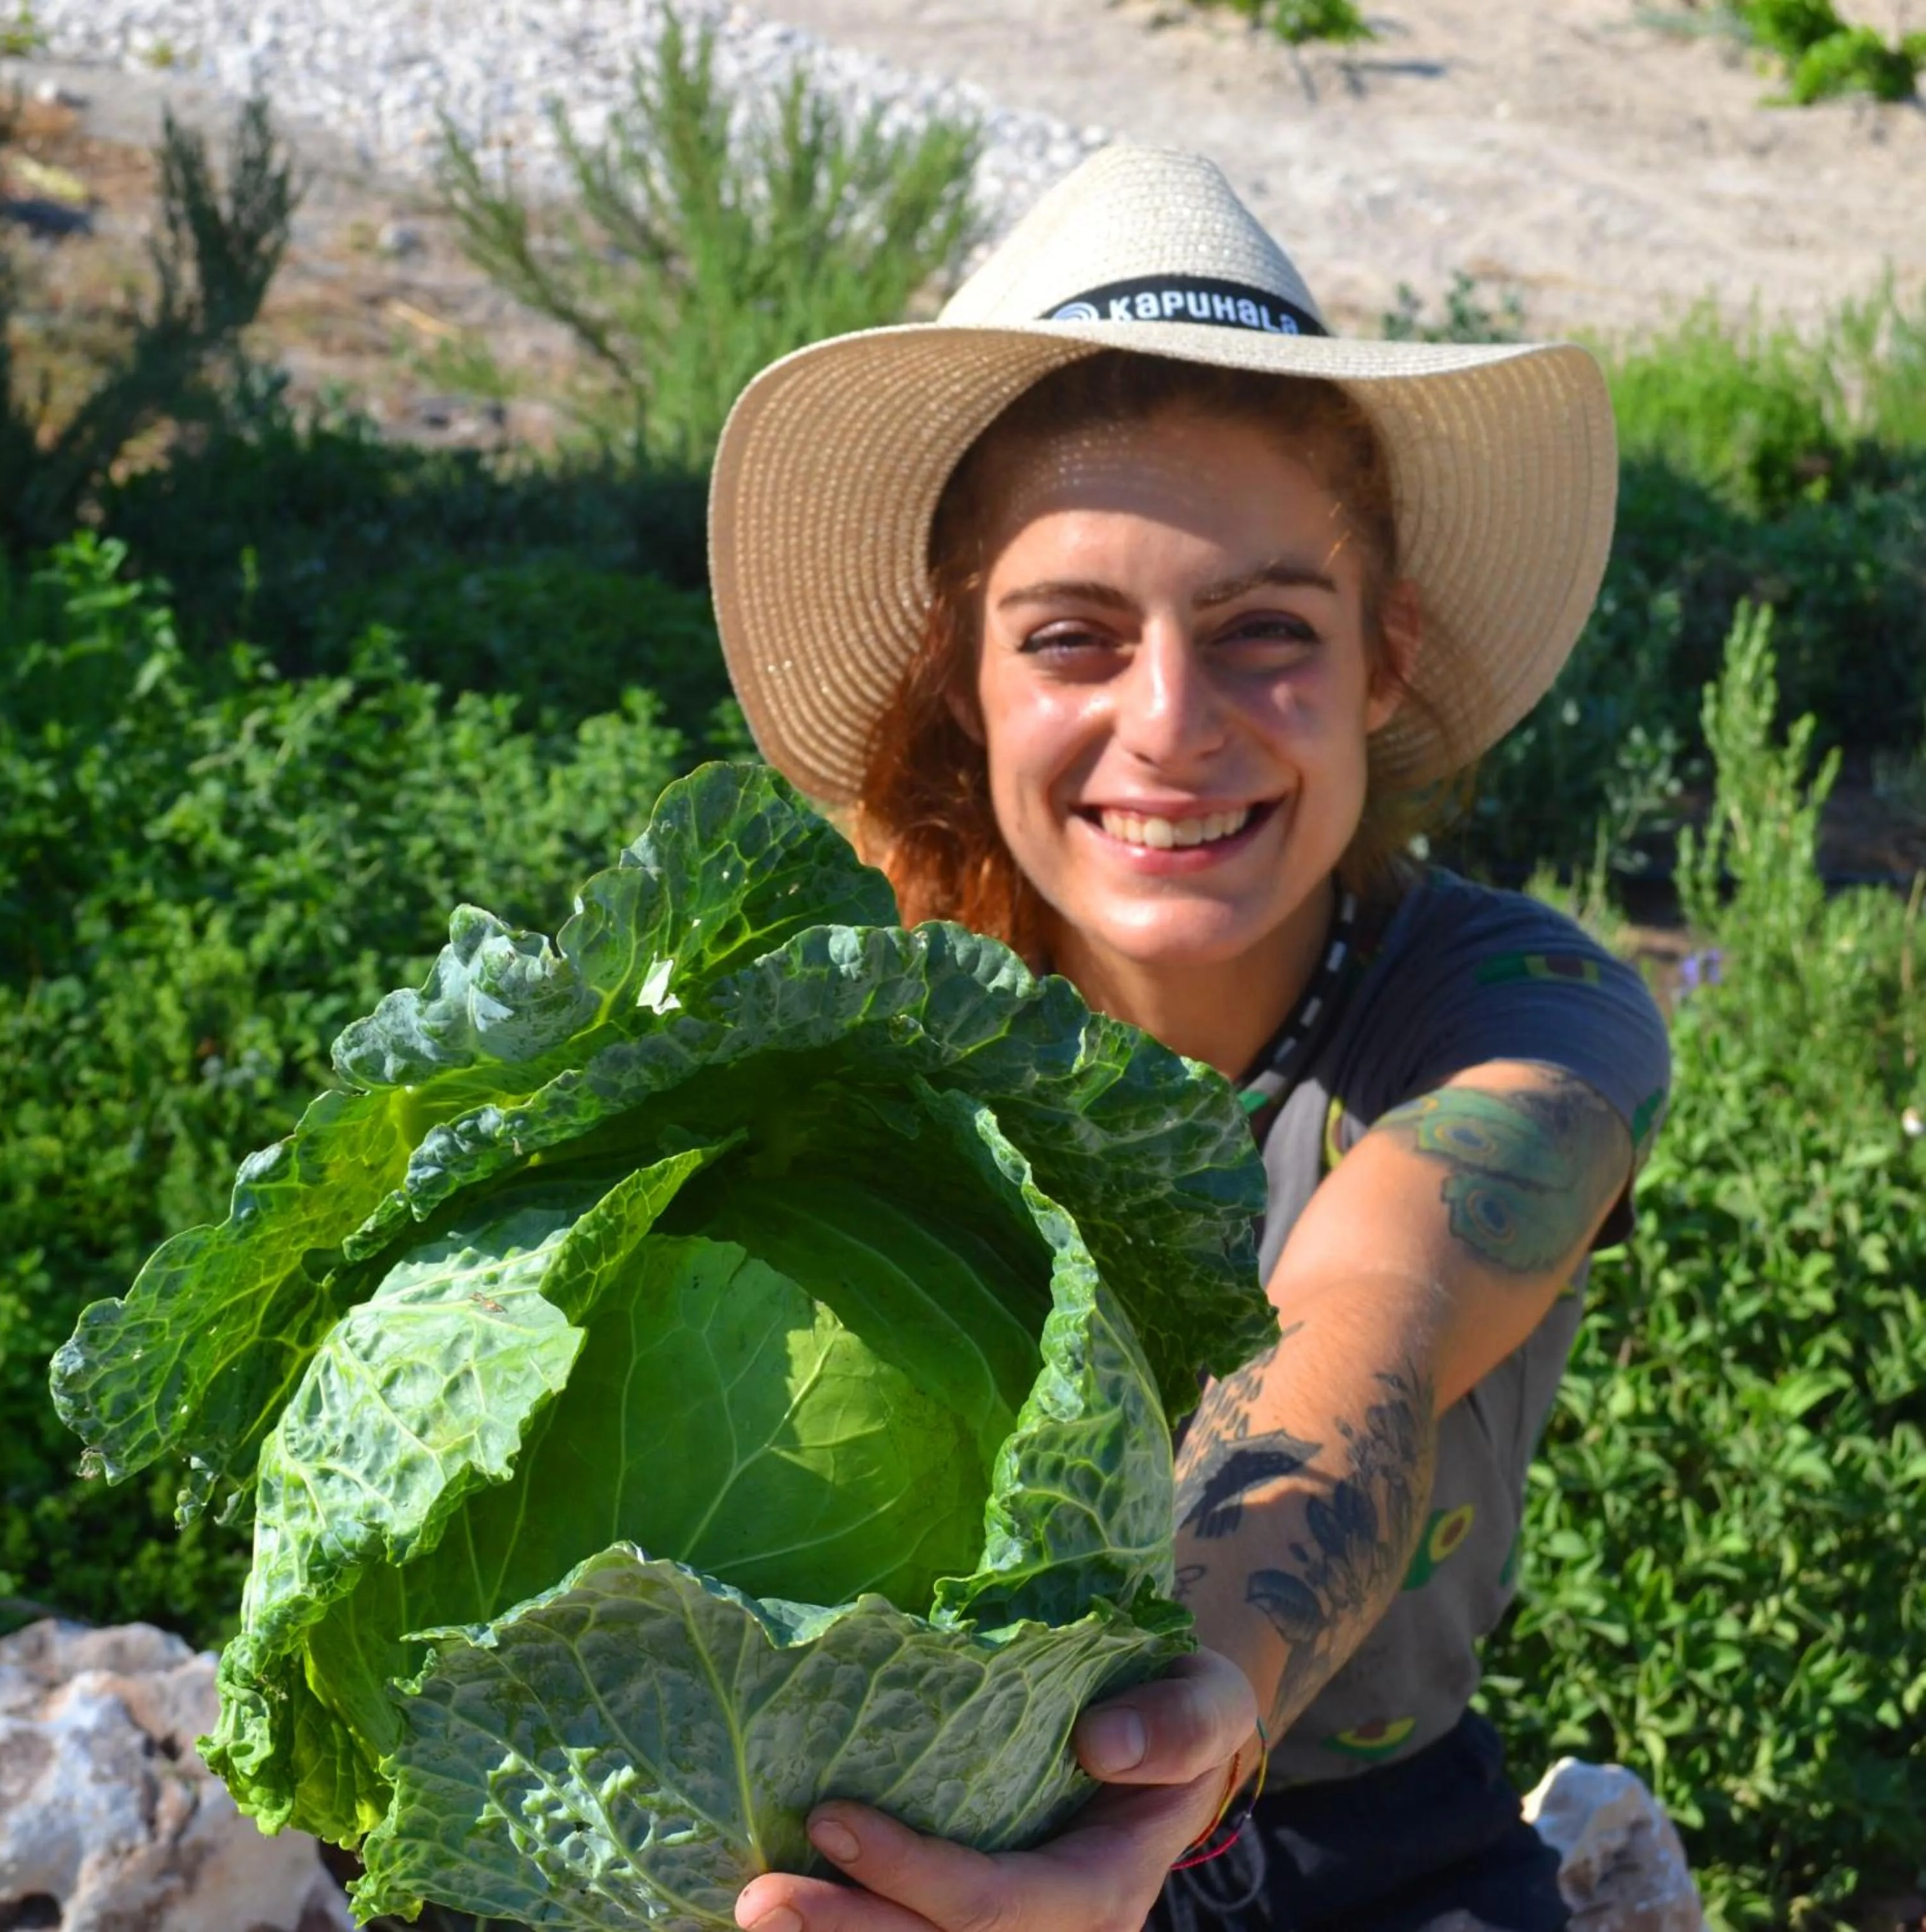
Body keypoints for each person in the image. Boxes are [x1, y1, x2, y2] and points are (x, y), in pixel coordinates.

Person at [707, 146, 1670, 1932]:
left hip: (1368, 1853)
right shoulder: (830, 1036)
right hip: (884, 1849)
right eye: (1072, 637)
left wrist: (1175, 1738)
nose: (1172, 725)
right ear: (961, 677)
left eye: (1265, 635)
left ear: (1385, 663)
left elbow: (1360, 1331)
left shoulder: (1516, 1019)